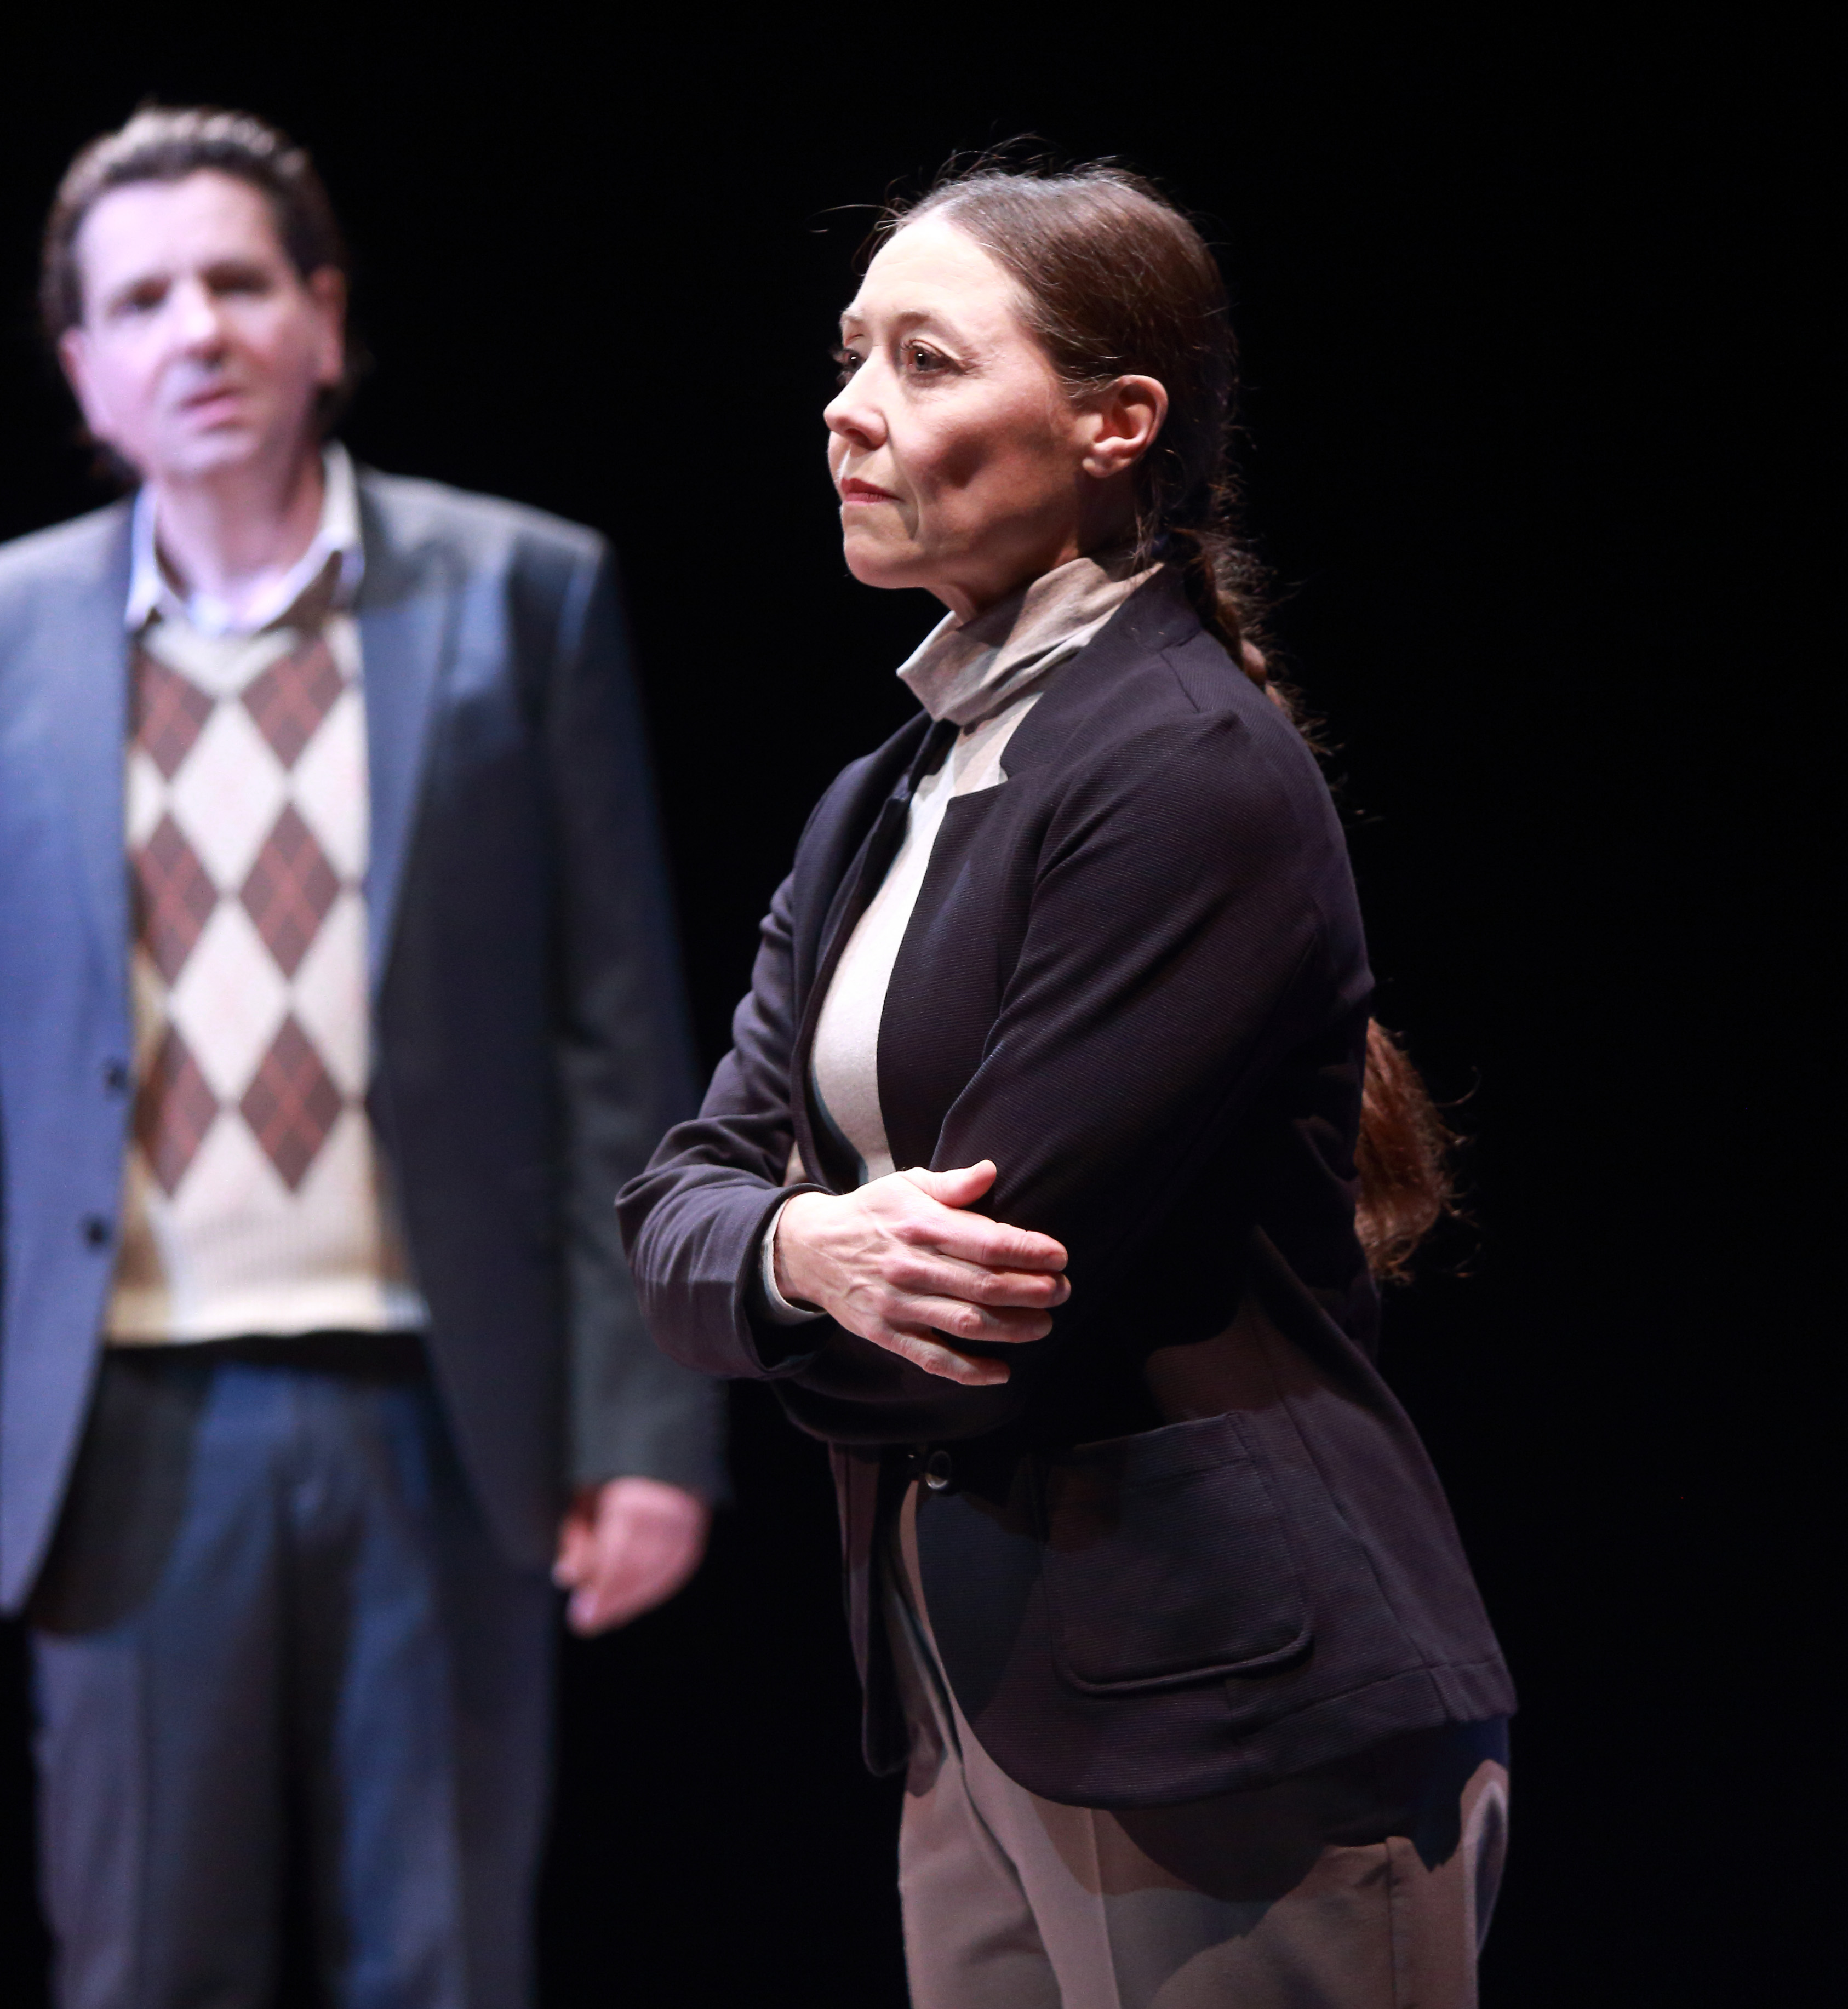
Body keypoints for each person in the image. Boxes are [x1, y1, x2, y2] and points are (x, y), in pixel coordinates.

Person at [0, 106, 718, 2009]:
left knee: (449, 1956)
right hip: (126, 1428)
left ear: (324, 317)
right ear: (82, 366)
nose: (199, 330)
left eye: (240, 282)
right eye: (142, 299)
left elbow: (614, 1044)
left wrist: (646, 1421)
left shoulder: (521, 593)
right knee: (149, 1963)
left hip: (444, 1411)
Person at [621, 163, 1515, 2005]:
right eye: (851, 353)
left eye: (927, 359)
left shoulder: (1183, 770)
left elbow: (980, 1305)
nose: (850, 406)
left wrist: (775, 1274)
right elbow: (671, 1215)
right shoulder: (879, 797)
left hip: (1225, 1706)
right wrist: (797, 1251)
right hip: (976, 1683)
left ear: (1115, 424)